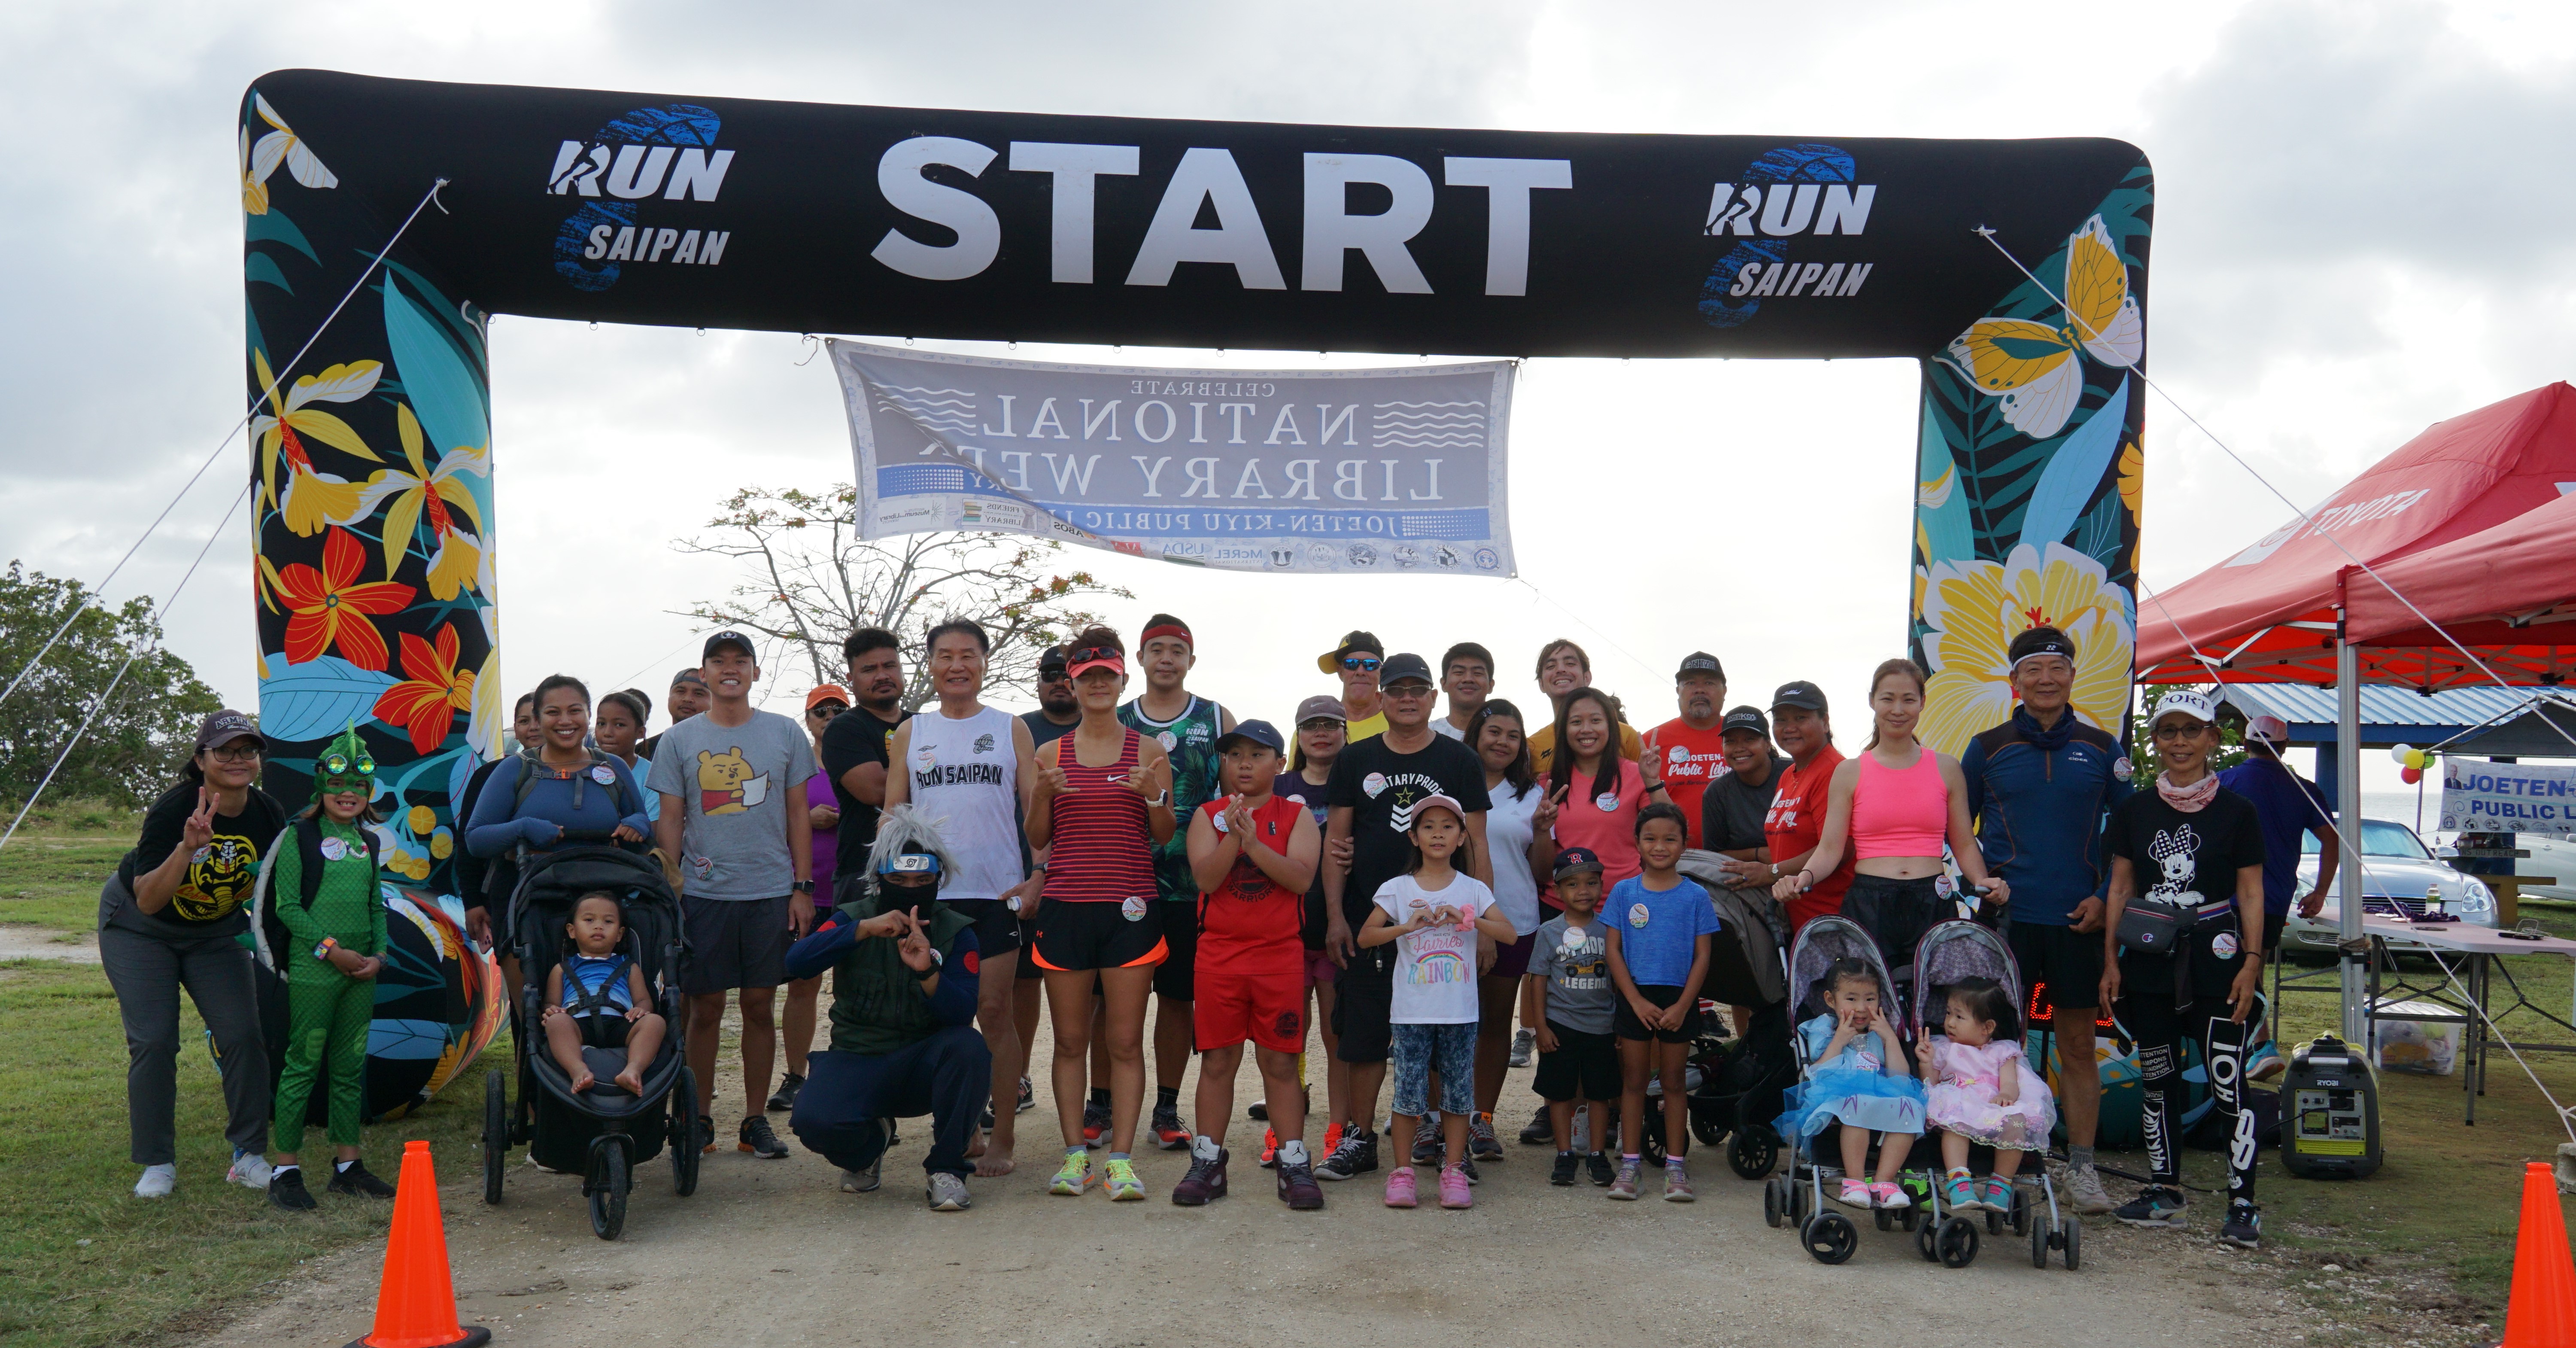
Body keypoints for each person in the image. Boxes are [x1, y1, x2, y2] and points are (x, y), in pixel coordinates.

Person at [1957, 624, 2132, 1214]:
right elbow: (1961, 833)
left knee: (2079, 1045)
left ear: (2073, 676)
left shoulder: (2103, 748)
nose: (2046, 679)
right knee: (1995, 1047)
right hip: (2006, 922)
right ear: (2015, 681)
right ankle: (2000, 1159)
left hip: (2077, 921)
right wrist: (1983, 883)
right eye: (2033, 669)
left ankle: (2082, 1169)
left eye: (2057, 667)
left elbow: (2128, 840)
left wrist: (2106, 896)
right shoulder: (1987, 746)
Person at [2099, 688, 2268, 1248]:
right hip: (2148, 960)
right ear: (2156, 740)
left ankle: (2243, 1203)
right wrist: (2109, 961)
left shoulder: (2239, 811)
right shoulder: (2135, 810)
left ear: (2212, 739)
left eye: (2190, 730)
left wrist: (2252, 961)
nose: (2179, 741)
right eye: (2168, 730)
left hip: (2220, 963)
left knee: (2228, 1082)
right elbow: (2121, 886)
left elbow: (2251, 889)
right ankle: (2164, 1191)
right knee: (2157, 1079)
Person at [1317, 652, 1493, 1184]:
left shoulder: (1459, 760)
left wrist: (1485, 924)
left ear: (1433, 697)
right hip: (1372, 919)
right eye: (1397, 690)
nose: (1408, 698)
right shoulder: (1356, 758)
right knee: (1366, 1034)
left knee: (1443, 1034)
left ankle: (1442, 1142)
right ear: (1382, 697)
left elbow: (1477, 843)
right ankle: (1360, 1138)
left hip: (1445, 923)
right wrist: (1335, 916)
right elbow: (1336, 841)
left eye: (1418, 689)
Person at [647, 631, 818, 1161]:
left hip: (768, 889)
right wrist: (669, 890)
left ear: (755, 672)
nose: (729, 669)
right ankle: (696, 1120)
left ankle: (754, 1119)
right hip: (702, 892)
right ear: (703, 673)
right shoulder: (678, 741)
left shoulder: (785, 732)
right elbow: (672, 818)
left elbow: (797, 815)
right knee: (704, 1007)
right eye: (718, 662)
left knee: (760, 1004)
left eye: (740, 661)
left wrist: (802, 886)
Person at [99, 709, 283, 1199]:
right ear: (201, 759)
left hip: (214, 932)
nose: (238, 759)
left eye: (248, 750)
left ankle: (248, 1156)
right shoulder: (173, 808)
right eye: (225, 750)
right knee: (156, 1041)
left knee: (243, 1033)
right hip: (139, 928)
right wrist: (186, 850)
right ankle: (158, 1163)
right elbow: (150, 899)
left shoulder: (267, 815)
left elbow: (271, 894)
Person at [882, 619, 1041, 1178]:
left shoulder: (1009, 728)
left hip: (997, 893)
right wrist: (892, 892)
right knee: (943, 1020)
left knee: (994, 1013)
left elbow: (1035, 812)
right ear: (929, 664)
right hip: (933, 900)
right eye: (945, 655)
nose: (957, 664)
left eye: (968, 655)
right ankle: (963, 1123)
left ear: (984, 662)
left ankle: (1004, 1136)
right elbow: (893, 817)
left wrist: (1040, 870)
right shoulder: (912, 730)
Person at [1026, 628, 1174, 1201]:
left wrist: (1152, 796)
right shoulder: (1049, 754)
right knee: (1068, 1040)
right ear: (1073, 682)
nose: (1097, 685)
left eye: (1106, 676)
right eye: (1086, 677)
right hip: (1066, 905)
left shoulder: (1148, 750)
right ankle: (1073, 1156)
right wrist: (1042, 795)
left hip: (1130, 906)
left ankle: (1120, 1159)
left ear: (1122, 680)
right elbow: (1038, 837)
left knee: (1124, 1040)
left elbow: (1164, 834)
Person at [784, 806, 992, 1212]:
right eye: (898, 879)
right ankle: (867, 1149)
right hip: (858, 1057)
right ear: (879, 879)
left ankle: (947, 1170)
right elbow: (796, 963)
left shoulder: (957, 931)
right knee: (812, 1120)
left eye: (922, 880)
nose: (911, 888)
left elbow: (962, 1009)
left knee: (970, 1048)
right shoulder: (853, 917)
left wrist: (928, 971)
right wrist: (860, 931)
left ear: (939, 879)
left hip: (923, 1065)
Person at [1771, 659, 2008, 974]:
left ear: (1923, 702)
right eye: (1888, 698)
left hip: (1933, 899)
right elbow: (1830, 849)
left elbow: (1964, 844)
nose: (1898, 709)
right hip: (1869, 902)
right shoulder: (1849, 771)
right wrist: (1804, 878)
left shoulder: (1947, 768)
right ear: (1872, 700)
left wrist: (1982, 880)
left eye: (1909, 699)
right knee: (1868, 1010)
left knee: (1936, 1009)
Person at [1177, 720, 1324, 1208]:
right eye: (1235, 754)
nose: (1244, 763)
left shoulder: (1296, 816)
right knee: (1218, 1060)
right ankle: (1208, 1161)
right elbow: (1207, 880)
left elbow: (1302, 881)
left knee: (1280, 1061)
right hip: (1220, 957)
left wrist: (1256, 841)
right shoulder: (1209, 814)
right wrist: (1235, 837)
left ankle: (1294, 1161)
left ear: (1280, 764)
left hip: (1279, 957)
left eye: (1258, 755)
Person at [1358, 793, 1516, 1210]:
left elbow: (1509, 934)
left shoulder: (1473, 888)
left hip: (1460, 1012)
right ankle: (1403, 1172)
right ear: (1413, 837)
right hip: (1411, 1011)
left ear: (1463, 837)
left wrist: (1470, 920)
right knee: (1408, 1094)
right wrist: (1405, 926)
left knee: (1459, 1094)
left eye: (1448, 826)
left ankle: (1453, 1170)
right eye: (1428, 826)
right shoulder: (1398, 888)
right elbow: (1365, 936)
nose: (1438, 834)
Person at [264, 724, 398, 1209]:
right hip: (316, 969)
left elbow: (377, 907)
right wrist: (331, 951)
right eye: (340, 786)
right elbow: (287, 908)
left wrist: (378, 957)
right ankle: (286, 1169)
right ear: (323, 786)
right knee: (303, 1064)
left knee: (348, 1068)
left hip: (361, 972)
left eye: (359, 787)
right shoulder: (298, 837)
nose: (349, 795)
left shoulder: (368, 843)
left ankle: (348, 1166)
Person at [1117, 614, 1236, 1151]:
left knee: (1177, 999)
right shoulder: (1114, 718)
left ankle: (1167, 1106)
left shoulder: (1214, 717)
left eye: (1176, 650)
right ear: (1140, 659)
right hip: (1123, 880)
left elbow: (1238, 795)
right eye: (1156, 649)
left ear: (1191, 660)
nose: (1166, 658)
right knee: (1111, 997)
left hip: (1192, 884)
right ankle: (1102, 1101)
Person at [465, 675, 650, 1013]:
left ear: (588, 715)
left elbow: (640, 822)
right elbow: (476, 838)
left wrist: (637, 824)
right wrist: (523, 827)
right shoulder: (515, 769)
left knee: (608, 1002)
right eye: (553, 712)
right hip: (527, 899)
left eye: (575, 711)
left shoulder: (612, 767)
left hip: (602, 900)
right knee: (534, 1015)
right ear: (538, 719)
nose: (565, 721)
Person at [1604, 803, 1721, 1202]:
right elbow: (1614, 951)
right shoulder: (1624, 892)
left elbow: (1703, 956)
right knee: (1634, 1082)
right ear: (1636, 842)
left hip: (1679, 999)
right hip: (1636, 996)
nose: (1660, 846)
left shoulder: (1696, 896)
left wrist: (1684, 1005)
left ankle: (1676, 1167)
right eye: (1650, 838)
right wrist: (1634, 999)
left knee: (1673, 1082)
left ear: (1684, 845)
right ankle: (1631, 1166)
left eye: (1670, 839)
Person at [1774, 957, 1928, 1210]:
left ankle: (1884, 1182)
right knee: (1858, 1107)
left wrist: (1890, 1038)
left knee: (1911, 1107)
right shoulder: (1824, 1029)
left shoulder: (1879, 1033)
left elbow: (1900, 1079)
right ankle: (1855, 1181)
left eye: (1870, 999)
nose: (1861, 1008)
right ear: (1831, 1000)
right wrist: (1839, 1040)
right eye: (1852, 999)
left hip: (1881, 1095)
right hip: (1839, 1095)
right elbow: (1818, 1072)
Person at [1467, 700, 1547, 1158]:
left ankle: (1482, 1119)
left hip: (1514, 919)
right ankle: (1437, 1120)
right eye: (1494, 731)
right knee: (1449, 1024)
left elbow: (1540, 869)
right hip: (1453, 921)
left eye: (1513, 736)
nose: (1502, 741)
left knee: (1495, 1025)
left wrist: (1542, 830)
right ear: (1477, 733)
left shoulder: (1532, 794)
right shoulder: (1452, 781)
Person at [1271, 694, 1348, 1163]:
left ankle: (1338, 1129)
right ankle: (1286, 1131)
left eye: (1331, 725)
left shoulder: (1358, 784)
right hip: (1286, 931)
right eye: (1311, 726)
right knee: (1287, 1035)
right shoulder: (1279, 785)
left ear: (1344, 731)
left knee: (1336, 1035)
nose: (1322, 733)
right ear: (1299, 735)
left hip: (1338, 932)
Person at [770, 684, 850, 1114]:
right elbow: (767, 817)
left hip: (853, 891)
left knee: (853, 988)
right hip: (806, 890)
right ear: (807, 718)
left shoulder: (861, 759)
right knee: (803, 985)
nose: (831, 716)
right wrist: (805, 819)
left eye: (840, 709)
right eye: (822, 710)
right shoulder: (794, 764)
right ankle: (796, 1075)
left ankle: (847, 1073)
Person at [1919, 976, 2055, 1213]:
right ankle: (1959, 1181)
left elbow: (2011, 1082)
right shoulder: (1944, 1048)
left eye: (1959, 1017)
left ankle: (2000, 1185)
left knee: (2016, 1122)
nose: (1950, 1022)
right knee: (1955, 1124)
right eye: (1949, 1013)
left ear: (1987, 1027)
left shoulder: (2003, 1051)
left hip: (1992, 1104)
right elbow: (1932, 1083)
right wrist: (1926, 1062)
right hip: (1958, 1099)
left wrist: (2006, 1094)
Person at [1528, 847, 1618, 1188]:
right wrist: (1541, 1026)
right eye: (1573, 884)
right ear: (1557, 889)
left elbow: (1618, 978)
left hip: (1602, 1026)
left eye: (1592, 882)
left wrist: (1620, 1024)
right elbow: (1538, 979)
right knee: (1560, 1093)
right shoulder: (1548, 931)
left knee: (1599, 1094)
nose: (1583, 891)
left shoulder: (1610, 930)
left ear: (1601, 885)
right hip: (1560, 1025)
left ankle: (1596, 1153)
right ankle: (1564, 1152)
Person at [2218, 712, 2342, 958]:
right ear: (2285, 745)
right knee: (2254, 967)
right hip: (2274, 896)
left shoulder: (2222, 782)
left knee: (2223, 973)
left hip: (2224, 895)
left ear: (2245, 744)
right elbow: (2332, 841)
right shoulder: (2304, 790)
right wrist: (2320, 893)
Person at [1698, 705, 1789, 1036]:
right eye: (1730, 740)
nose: (1739, 748)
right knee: (1750, 978)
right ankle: (1750, 1049)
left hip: (1802, 885)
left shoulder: (1792, 774)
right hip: (1748, 897)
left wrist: (1774, 863)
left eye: (1749, 739)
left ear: (1767, 742)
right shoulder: (1717, 793)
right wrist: (1758, 854)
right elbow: (1713, 856)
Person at [1013, 643, 1075, 1117]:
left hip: (1084, 879)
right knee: (1021, 980)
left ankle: (1099, 1099)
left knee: (1087, 993)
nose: (1059, 680)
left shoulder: (1107, 730)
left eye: (1067, 672)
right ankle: (1015, 1076)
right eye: (1050, 672)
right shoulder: (1021, 730)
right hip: (1020, 872)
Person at [1543, 686, 1671, 892]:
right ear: (1563, 730)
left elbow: (1669, 830)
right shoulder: (1547, 784)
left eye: (1596, 721)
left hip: (1627, 904)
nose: (1586, 729)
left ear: (1611, 727)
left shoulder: (1636, 774)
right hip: (1563, 909)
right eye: (1576, 722)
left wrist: (1653, 781)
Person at [541, 892, 668, 1096]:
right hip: (578, 1023)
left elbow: (644, 999)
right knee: (556, 1023)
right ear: (572, 931)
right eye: (589, 920)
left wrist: (642, 1009)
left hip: (620, 1022)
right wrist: (551, 1010)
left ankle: (633, 1070)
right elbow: (550, 1002)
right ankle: (578, 1070)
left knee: (656, 1022)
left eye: (608, 922)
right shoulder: (562, 969)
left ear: (619, 934)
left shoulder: (629, 966)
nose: (599, 926)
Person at [1759, 682, 1853, 932]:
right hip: (1799, 918)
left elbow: (1841, 849)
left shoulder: (1834, 770)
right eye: (1780, 720)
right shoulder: (1788, 773)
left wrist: (1771, 872)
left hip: (1834, 919)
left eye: (1801, 718)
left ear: (1825, 722)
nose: (1789, 728)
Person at [453, 690, 541, 944]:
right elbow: (467, 842)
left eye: (538, 718)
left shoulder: (582, 772)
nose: (533, 727)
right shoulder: (490, 775)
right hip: (505, 896)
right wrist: (472, 901)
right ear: (515, 727)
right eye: (524, 721)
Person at [1642, 652, 1732, 848]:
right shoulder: (1650, 742)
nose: (1700, 690)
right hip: (1672, 862)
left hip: (1741, 863)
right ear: (1678, 690)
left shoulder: (1743, 738)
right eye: (1690, 683)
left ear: (1725, 691)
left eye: (1709, 683)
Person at [1526, 639, 1642, 773]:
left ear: (1587, 677)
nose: (1561, 670)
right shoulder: (1532, 747)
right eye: (1551, 666)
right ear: (1541, 684)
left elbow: (1646, 786)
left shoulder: (1626, 736)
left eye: (1570, 664)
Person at [594, 689, 659, 827]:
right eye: (601, 724)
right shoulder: (583, 766)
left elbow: (653, 832)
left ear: (640, 732)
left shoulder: (652, 776)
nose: (607, 733)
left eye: (619, 725)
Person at [1318, 630, 1387, 741]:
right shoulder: (1313, 729)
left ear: (1381, 673)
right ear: (1340, 672)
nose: (1361, 671)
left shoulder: (1400, 725)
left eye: (1370, 665)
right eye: (1352, 664)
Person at [638, 667, 711, 761]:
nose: (688, 699)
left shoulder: (724, 748)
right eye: (681, 691)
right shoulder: (643, 752)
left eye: (699, 694)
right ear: (669, 698)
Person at [1433, 642, 1495, 740]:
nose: (1468, 679)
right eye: (1459, 672)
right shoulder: (1427, 735)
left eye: (1477, 673)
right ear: (1444, 684)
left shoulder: (1503, 740)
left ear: (1491, 685)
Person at [1022, 644, 1080, 750]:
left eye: (1068, 676)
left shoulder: (1104, 728)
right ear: (1038, 682)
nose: (1060, 683)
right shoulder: (1016, 729)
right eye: (1050, 675)